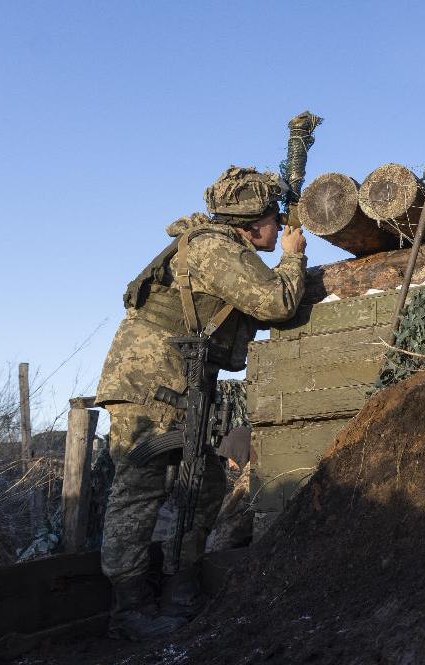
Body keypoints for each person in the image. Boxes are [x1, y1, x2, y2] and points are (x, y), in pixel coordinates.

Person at [95, 166, 307, 641]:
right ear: (251, 224)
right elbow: (276, 301)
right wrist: (293, 258)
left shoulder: (224, 245)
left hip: (179, 383)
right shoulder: (215, 248)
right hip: (148, 384)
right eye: (276, 220)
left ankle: (180, 585)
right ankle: (128, 608)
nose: (283, 228)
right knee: (139, 489)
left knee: (206, 483)